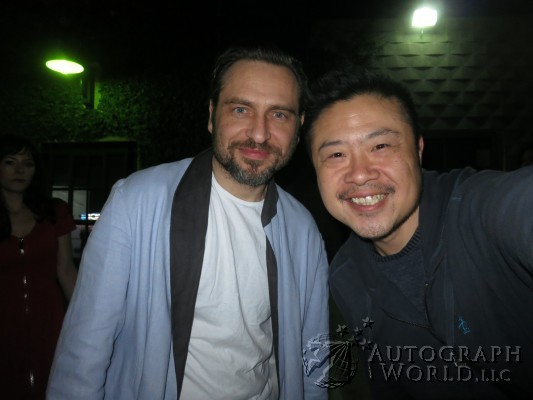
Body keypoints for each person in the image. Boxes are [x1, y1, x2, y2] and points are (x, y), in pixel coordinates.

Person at [47, 43, 329, 400]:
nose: (259, 134)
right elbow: (85, 347)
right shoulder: (136, 200)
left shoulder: (303, 230)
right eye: (241, 109)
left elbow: (313, 357)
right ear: (212, 115)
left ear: (299, 126)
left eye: (279, 115)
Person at [304, 69, 533, 399]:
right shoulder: (345, 276)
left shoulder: (482, 210)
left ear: (419, 149)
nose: (360, 174)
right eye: (336, 155)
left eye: (380, 146)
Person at [0, 134, 78, 399]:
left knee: (53, 383)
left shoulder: (54, 212)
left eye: (28, 163)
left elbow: (66, 271)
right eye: (10, 162)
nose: (20, 170)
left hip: (50, 320)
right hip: (5, 323)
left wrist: (85, 320)